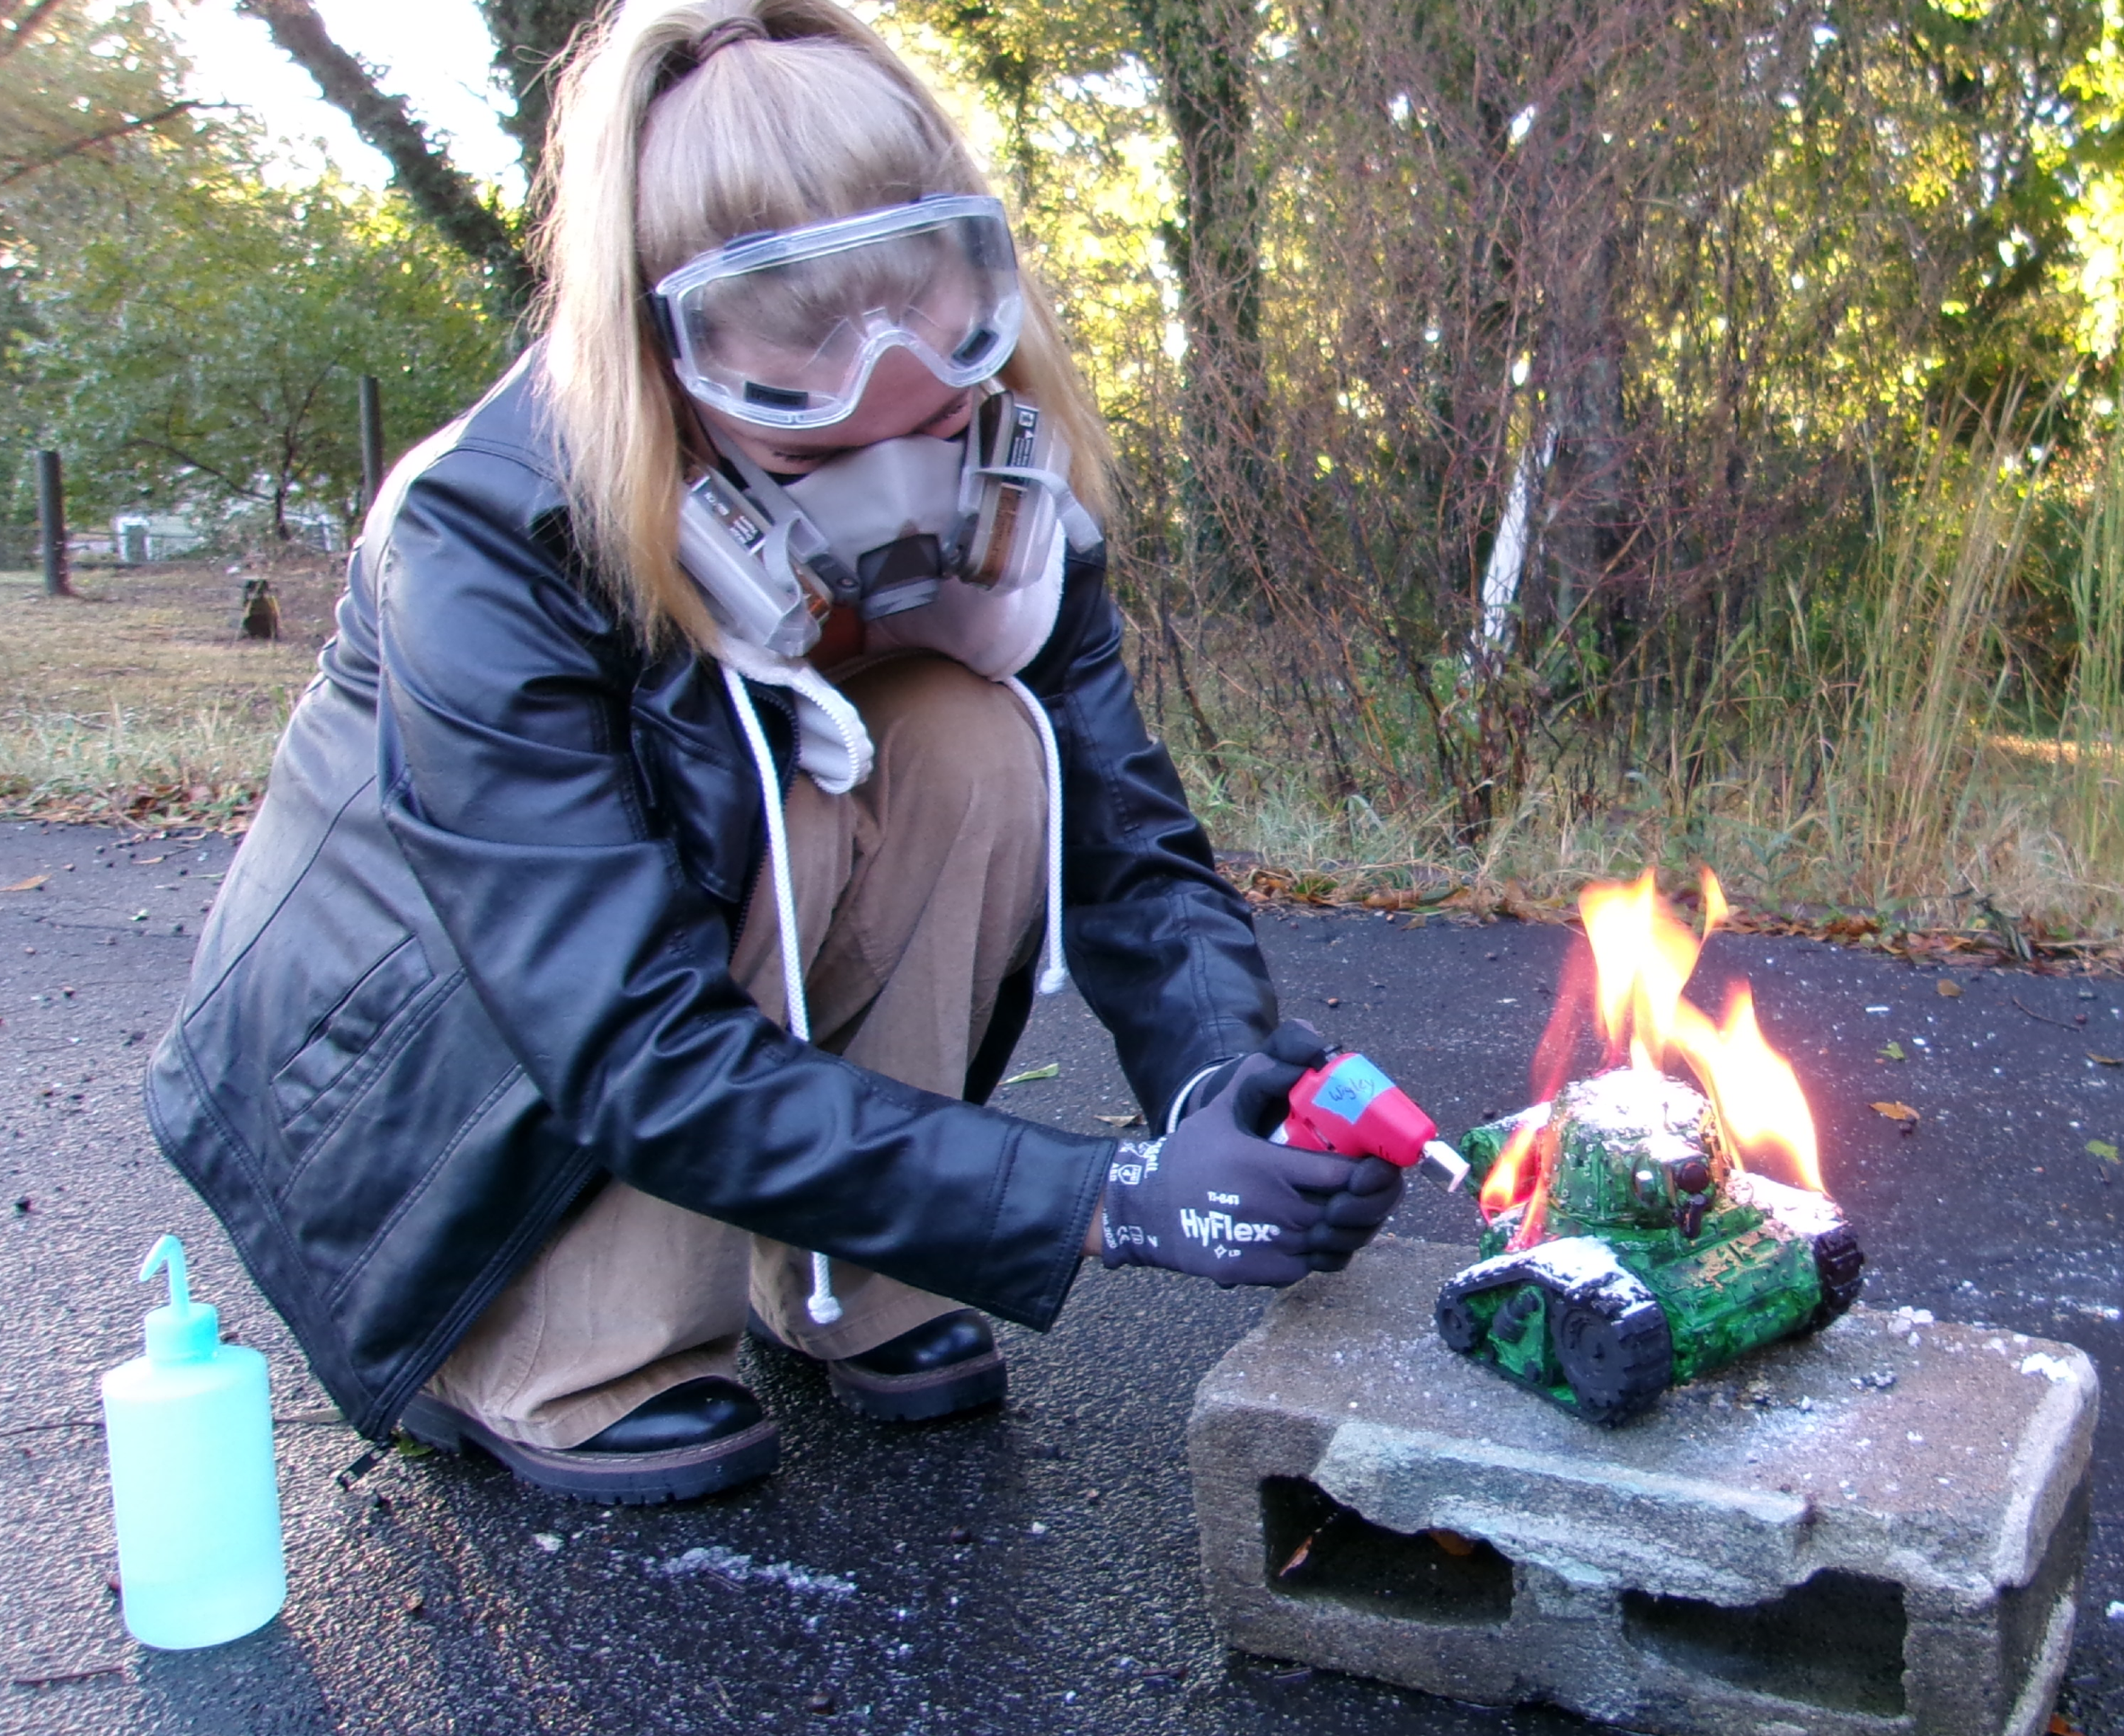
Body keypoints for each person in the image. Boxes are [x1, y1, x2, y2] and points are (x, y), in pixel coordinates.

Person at [145, 0, 1404, 1506]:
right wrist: (1109, 1201)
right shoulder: (484, 534)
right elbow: (616, 1030)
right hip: (428, 1081)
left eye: (935, 414)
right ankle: (562, 1343)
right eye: (811, 457)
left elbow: (1125, 843)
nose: (896, 483)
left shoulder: (1009, 482)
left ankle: (856, 1268)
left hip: (664, 976)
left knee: (979, 735)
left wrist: (1216, 1091)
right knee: (744, 807)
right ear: (669, 361)